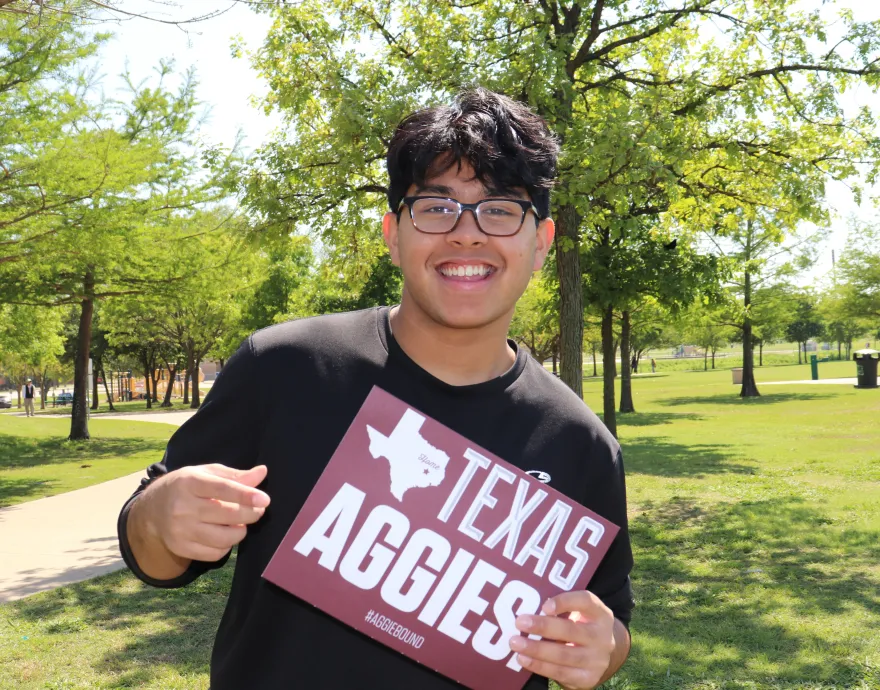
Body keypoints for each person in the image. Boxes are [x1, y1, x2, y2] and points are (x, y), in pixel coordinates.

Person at [117, 89, 634, 690]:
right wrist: (157, 519)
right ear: (393, 234)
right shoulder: (283, 366)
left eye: (499, 209)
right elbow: (154, 554)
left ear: (541, 241)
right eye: (436, 207)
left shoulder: (580, 443)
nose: (466, 235)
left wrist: (603, 648)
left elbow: (610, 618)